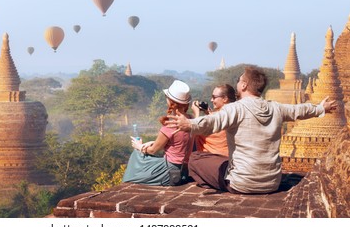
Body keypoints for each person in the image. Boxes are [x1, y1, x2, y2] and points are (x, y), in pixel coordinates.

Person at [166, 66, 337, 194]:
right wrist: (321, 108)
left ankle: (219, 184)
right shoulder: (275, 107)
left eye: (239, 80)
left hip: (242, 183)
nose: (238, 83)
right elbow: (299, 110)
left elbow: (213, 121)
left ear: (244, 85)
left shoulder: (236, 108)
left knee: (196, 159)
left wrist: (190, 124)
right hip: (272, 182)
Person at [122, 80, 193, 186]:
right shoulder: (192, 121)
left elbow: (153, 150)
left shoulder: (170, 125)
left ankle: (126, 183)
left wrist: (139, 146)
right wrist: (152, 142)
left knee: (137, 155)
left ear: (170, 102)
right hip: (186, 169)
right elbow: (178, 142)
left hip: (171, 171)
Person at [192, 84, 236, 157]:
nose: (211, 100)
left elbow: (195, 131)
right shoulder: (234, 114)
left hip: (212, 158)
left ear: (225, 99)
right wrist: (209, 113)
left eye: (214, 97)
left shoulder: (220, 119)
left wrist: (196, 113)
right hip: (228, 156)